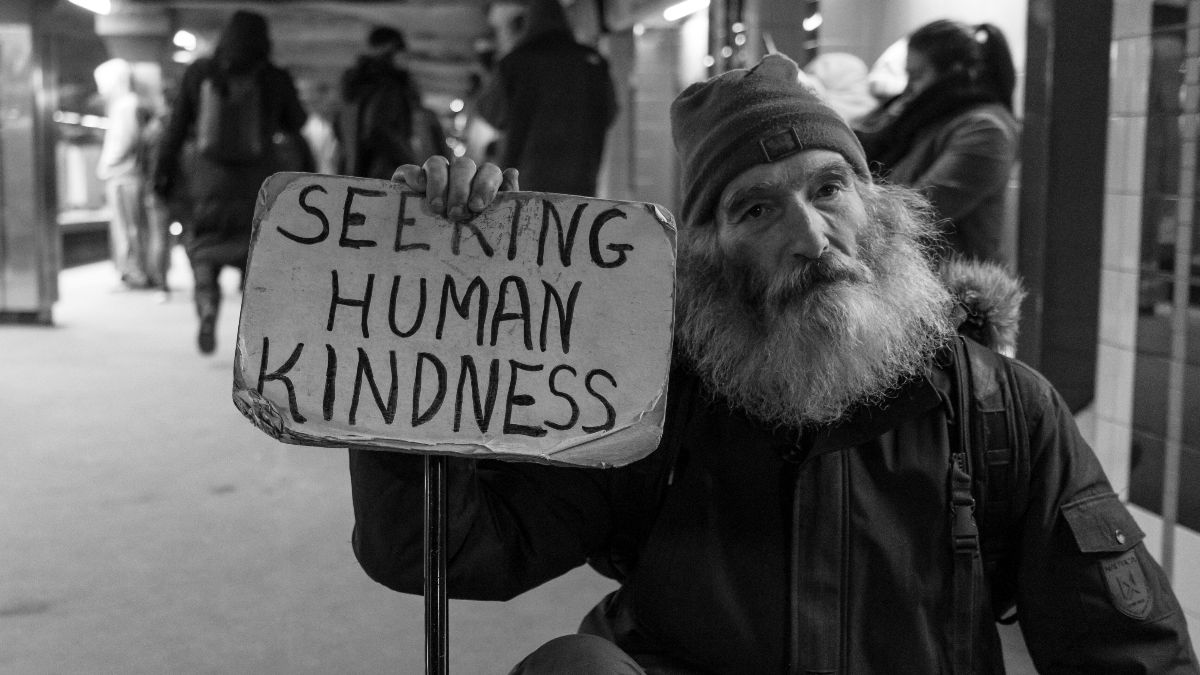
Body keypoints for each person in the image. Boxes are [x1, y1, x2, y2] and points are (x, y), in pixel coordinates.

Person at [348, 54, 1198, 673]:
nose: (811, 234)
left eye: (829, 187)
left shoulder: (1001, 411)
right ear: (710, 256)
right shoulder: (647, 397)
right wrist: (424, 325)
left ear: (878, 206)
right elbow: (442, 548)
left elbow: (1132, 655)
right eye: (757, 208)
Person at [153, 10, 307, 355]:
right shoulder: (272, 77)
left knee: (204, 251)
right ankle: (255, 336)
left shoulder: (200, 73)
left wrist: (161, 176)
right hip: (257, 183)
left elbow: (175, 130)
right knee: (256, 255)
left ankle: (207, 308)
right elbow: (297, 123)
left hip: (206, 183)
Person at [855, 20, 1020, 267]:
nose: (909, 88)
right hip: (917, 284)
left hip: (958, 295)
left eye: (917, 76)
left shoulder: (985, 130)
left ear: (954, 73)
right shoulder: (928, 119)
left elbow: (916, 215)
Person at [476, 0, 617, 196]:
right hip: (581, 177)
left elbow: (489, 111)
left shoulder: (515, 63)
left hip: (524, 179)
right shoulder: (593, 62)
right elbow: (610, 113)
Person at [94, 58, 152, 292]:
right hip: (127, 174)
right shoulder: (130, 105)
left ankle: (134, 272)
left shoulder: (125, 106)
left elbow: (125, 141)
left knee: (127, 227)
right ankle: (134, 270)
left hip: (123, 175)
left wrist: (105, 165)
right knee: (131, 226)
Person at [336, 26, 423, 180]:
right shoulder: (388, 86)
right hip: (385, 175)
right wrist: (410, 161)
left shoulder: (357, 86)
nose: (405, 57)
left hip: (355, 172)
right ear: (390, 50)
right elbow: (378, 129)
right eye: (401, 49)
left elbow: (339, 129)